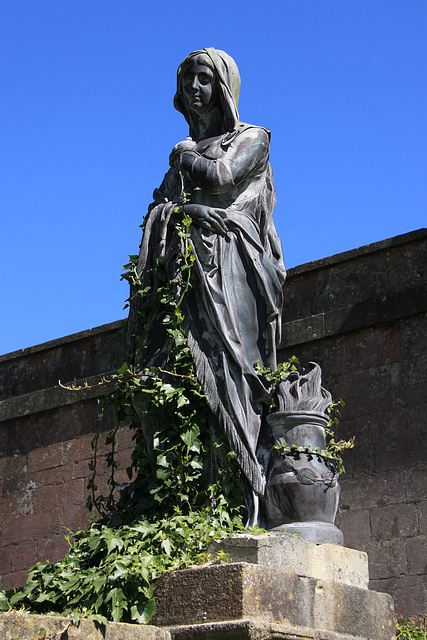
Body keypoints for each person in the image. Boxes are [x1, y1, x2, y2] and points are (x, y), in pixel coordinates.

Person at [129, 48, 286, 524]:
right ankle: (182, 497)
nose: (193, 89)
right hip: (182, 270)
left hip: (232, 262)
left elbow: (222, 177)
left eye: (203, 79)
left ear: (223, 86)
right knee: (163, 370)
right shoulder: (181, 158)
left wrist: (183, 156)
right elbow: (159, 208)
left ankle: (245, 495)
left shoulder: (252, 137)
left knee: (231, 367)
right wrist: (182, 213)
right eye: (187, 80)